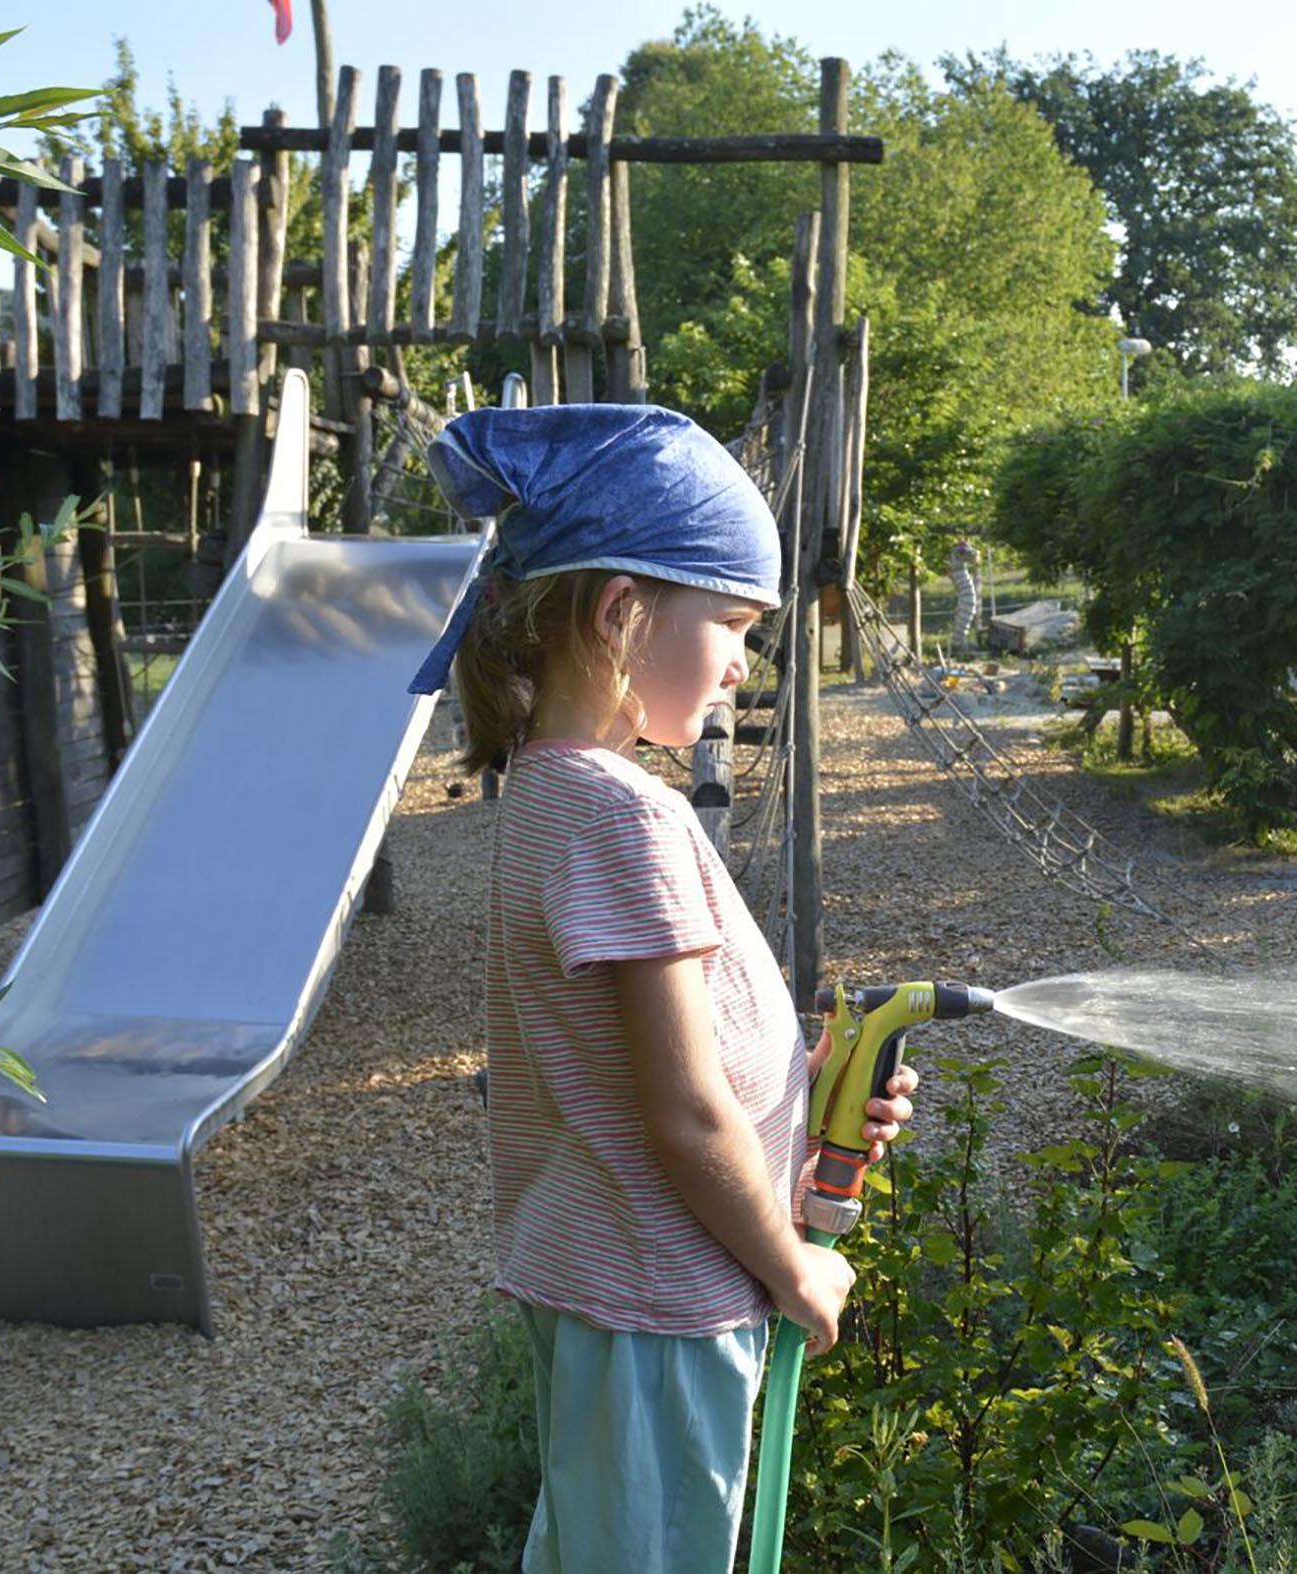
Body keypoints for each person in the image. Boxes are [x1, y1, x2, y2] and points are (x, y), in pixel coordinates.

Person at [408, 402, 918, 1572]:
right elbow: (684, 1114)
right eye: (731, 620)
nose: (745, 659)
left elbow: (652, 1051)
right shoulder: (623, 813)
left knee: (601, 1543)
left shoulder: (553, 789)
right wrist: (796, 1270)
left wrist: (809, 1081)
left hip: (612, 1276)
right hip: (659, 1293)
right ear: (619, 611)